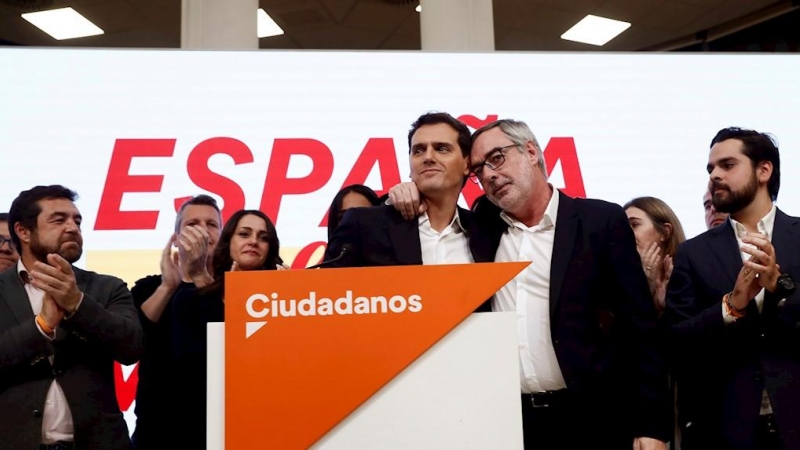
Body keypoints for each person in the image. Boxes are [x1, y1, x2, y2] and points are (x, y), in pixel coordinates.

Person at [389, 119, 670, 449]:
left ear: (531, 152)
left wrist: (651, 425)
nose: (489, 176)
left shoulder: (598, 222)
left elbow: (639, 328)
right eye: (479, 170)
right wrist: (402, 192)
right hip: (507, 423)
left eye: (497, 158)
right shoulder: (482, 227)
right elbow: (434, 208)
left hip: (592, 420)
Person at [664, 127, 800, 450]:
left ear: (764, 170)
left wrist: (778, 292)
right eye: (711, 168)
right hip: (723, 433)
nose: (714, 175)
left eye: (727, 165)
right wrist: (731, 306)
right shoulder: (693, 254)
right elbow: (674, 344)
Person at [0, 185, 143, 449]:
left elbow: (131, 347)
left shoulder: (108, 287)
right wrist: (41, 326)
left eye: (77, 221)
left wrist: (77, 304)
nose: (72, 228)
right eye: (59, 220)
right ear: (23, 231)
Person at [324, 112, 495, 292]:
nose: (428, 157)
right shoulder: (363, 225)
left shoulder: (487, 232)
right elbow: (324, 296)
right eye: (418, 150)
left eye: (442, 148)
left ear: (467, 165)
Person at [170, 209, 281, 449]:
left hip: (267, 423)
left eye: (263, 237)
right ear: (228, 242)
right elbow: (190, 366)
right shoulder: (191, 300)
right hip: (205, 424)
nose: (253, 241)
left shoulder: (283, 304)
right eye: (244, 234)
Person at [131, 194, 222, 450]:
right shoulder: (148, 287)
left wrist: (200, 275)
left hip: (218, 424)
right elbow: (132, 340)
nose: (203, 231)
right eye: (193, 224)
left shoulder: (231, 289)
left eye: (212, 225)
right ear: (175, 237)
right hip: (157, 428)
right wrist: (168, 286)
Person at [624, 197, 687, 315]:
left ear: (665, 232)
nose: (626, 233)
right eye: (623, 227)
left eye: (635, 224)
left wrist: (666, 310)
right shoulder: (617, 283)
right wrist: (645, 289)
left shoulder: (690, 274)